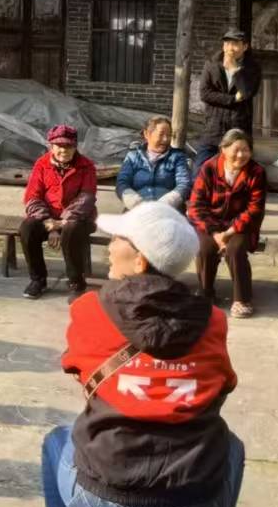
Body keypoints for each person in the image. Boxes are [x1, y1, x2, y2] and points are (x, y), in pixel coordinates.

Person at [34, 201, 244, 507]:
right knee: (230, 446)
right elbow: (225, 383)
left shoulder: (89, 309)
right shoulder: (214, 320)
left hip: (102, 503)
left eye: (117, 239)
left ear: (141, 260)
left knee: (57, 438)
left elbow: (76, 369)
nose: (109, 247)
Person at [187, 128, 268, 316]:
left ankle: (242, 299)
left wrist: (229, 233)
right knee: (205, 248)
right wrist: (215, 233)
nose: (241, 155)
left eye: (245, 150)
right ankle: (206, 293)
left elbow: (254, 210)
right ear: (223, 149)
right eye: (236, 150)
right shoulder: (209, 168)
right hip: (211, 223)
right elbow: (196, 205)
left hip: (240, 226)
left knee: (235, 249)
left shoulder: (257, 172)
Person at [20, 124, 99, 299]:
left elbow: (86, 199)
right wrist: (49, 222)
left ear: (75, 146)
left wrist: (62, 223)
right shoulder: (42, 164)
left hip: (78, 219)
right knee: (27, 228)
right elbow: (32, 196)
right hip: (48, 218)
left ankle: (76, 282)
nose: (64, 150)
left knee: (71, 230)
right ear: (51, 146)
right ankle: (38, 279)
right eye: (59, 146)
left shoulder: (86, 166)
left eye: (68, 146)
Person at [192, 29, 263, 176]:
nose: (230, 48)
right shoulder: (212, 64)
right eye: (227, 44)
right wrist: (233, 99)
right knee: (199, 172)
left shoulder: (253, 68)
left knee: (239, 174)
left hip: (239, 127)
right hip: (214, 127)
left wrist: (234, 70)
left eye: (235, 44)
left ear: (245, 46)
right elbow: (205, 94)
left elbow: (247, 92)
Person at [115, 116, 192, 211]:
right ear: (147, 134)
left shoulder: (177, 157)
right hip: (137, 210)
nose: (165, 139)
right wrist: (137, 204)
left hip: (169, 211)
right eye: (161, 134)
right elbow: (122, 183)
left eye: (169, 135)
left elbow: (184, 184)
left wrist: (164, 205)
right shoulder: (133, 157)